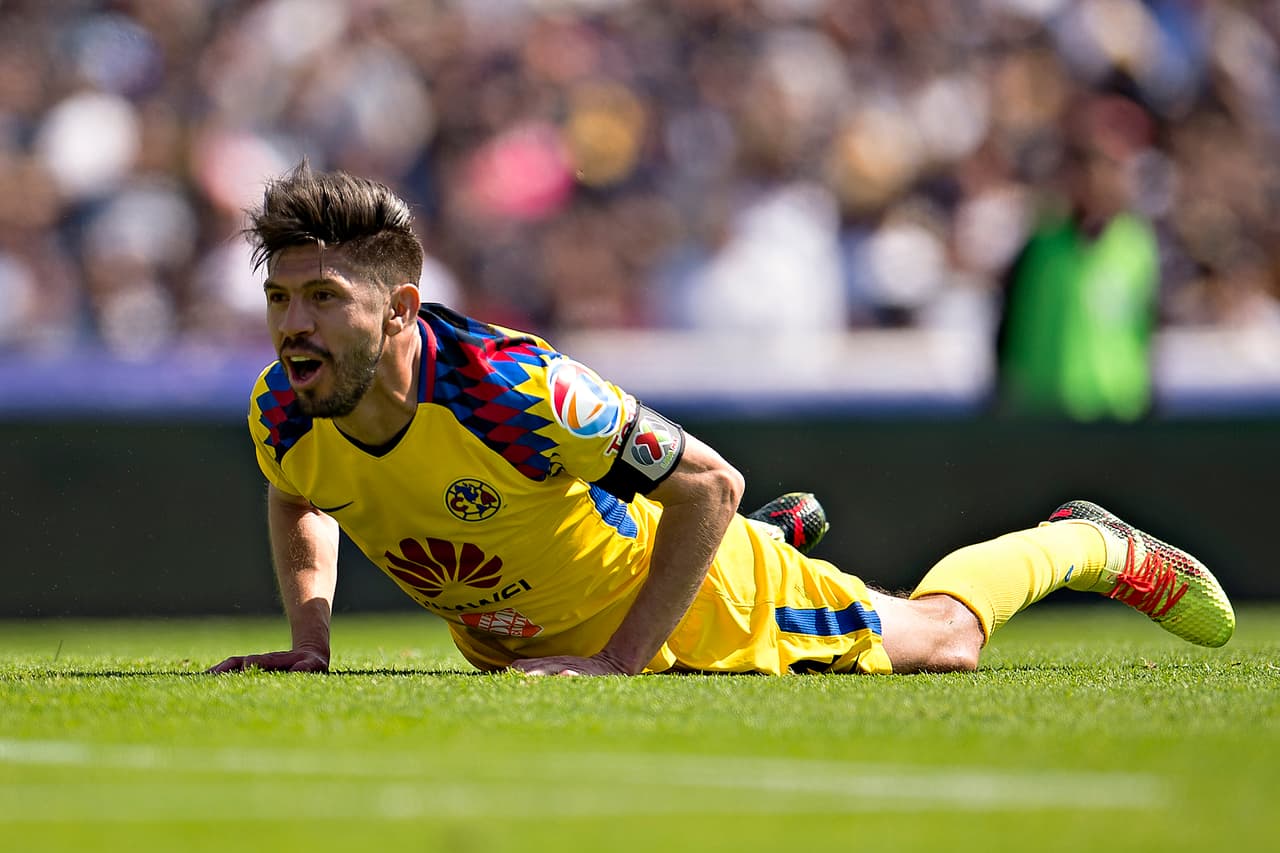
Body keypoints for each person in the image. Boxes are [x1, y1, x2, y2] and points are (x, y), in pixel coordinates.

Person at [209, 164, 1235, 677]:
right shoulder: (285, 410)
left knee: (942, 639)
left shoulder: (515, 389)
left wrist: (613, 667)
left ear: (395, 306)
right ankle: (771, 545)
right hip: (535, 632)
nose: (293, 326)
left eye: (323, 298)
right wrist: (311, 638)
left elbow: (707, 482)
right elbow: (299, 496)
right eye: (281, 300)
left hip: (698, 613)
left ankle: (1083, 545)